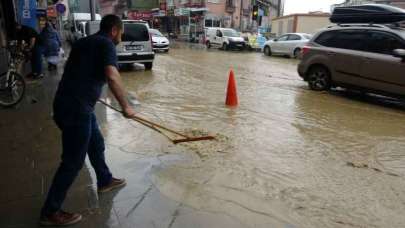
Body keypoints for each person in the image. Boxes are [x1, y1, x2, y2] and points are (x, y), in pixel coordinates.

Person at [40, 15, 136, 226]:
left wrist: (92, 93)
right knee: (73, 162)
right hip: (76, 110)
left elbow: (81, 72)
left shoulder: (84, 41)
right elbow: (112, 76)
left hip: (71, 104)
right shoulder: (107, 44)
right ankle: (50, 211)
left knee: (96, 143)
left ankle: (104, 180)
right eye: (120, 32)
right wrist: (126, 105)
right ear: (113, 31)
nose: (121, 36)